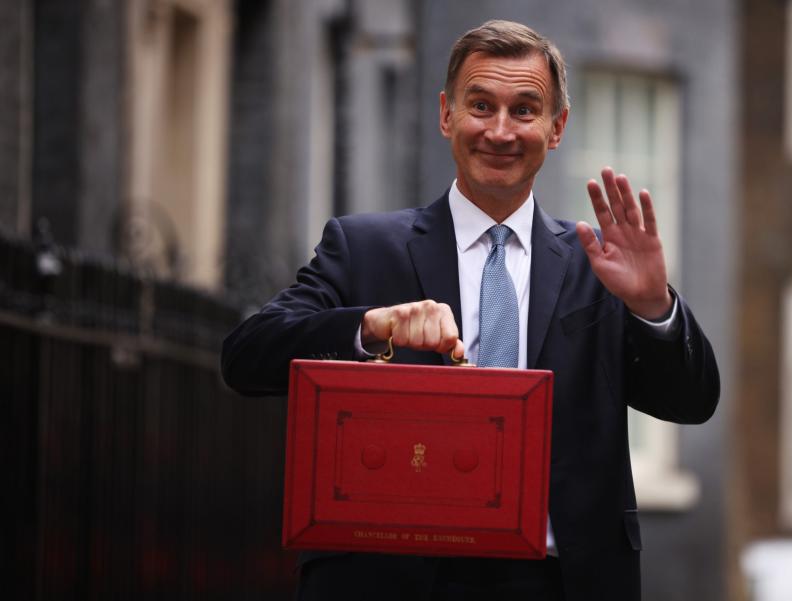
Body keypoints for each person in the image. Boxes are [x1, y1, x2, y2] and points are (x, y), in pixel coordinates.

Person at [221, 19, 719, 601]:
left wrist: (652, 304)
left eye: (525, 110)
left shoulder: (601, 267)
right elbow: (245, 356)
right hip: (393, 578)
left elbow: (691, 401)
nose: (500, 131)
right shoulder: (363, 248)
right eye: (480, 105)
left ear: (557, 127)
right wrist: (368, 327)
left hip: (561, 579)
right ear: (445, 115)